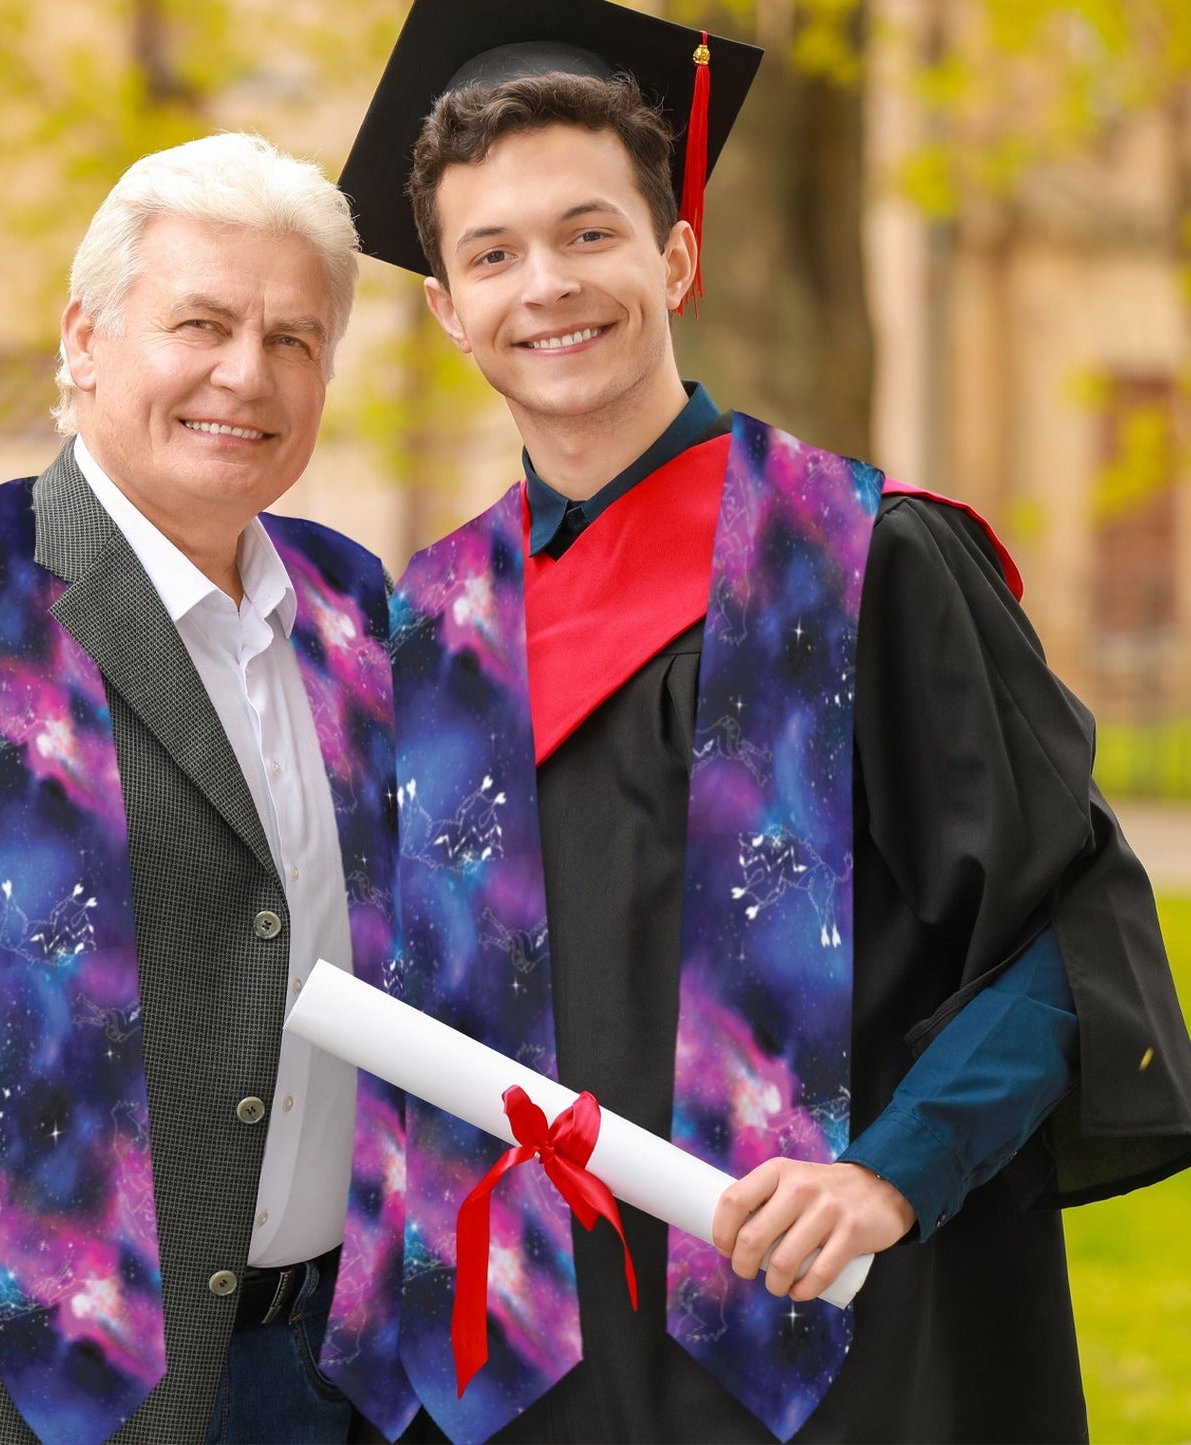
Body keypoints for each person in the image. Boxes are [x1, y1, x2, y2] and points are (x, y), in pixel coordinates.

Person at [319, 2, 1191, 1441]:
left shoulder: (864, 564)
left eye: (588, 233)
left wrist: (891, 1171)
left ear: (674, 254)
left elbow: (1063, 934)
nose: (546, 285)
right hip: (523, 1375)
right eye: (491, 254)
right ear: (446, 307)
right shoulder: (430, 630)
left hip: (841, 1348)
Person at [0, 132, 398, 1445]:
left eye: (293, 338)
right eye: (200, 321)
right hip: (11, 1403)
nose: (244, 373)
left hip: (331, 1390)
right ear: (85, 339)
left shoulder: (357, 614)